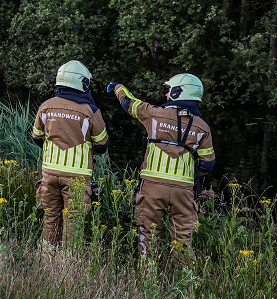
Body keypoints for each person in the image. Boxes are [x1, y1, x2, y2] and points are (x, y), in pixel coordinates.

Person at [107, 74, 215, 263]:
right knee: (183, 238)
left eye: (169, 90)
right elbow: (207, 163)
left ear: (178, 92)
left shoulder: (154, 114)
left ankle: (148, 277)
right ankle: (184, 280)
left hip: (152, 186)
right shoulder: (202, 127)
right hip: (184, 190)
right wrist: (190, 173)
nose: (166, 94)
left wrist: (118, 86)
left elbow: (129, 103)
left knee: (148, 232)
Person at [31, 60, 110, 250]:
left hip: (49, 173)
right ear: (82, 83)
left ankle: (47, 258)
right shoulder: (90, 111)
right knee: (73, 221)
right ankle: (68, 262)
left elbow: (36, 137)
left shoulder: (46, 106)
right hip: (77, 177)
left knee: (51, 216)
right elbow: (102, 144)